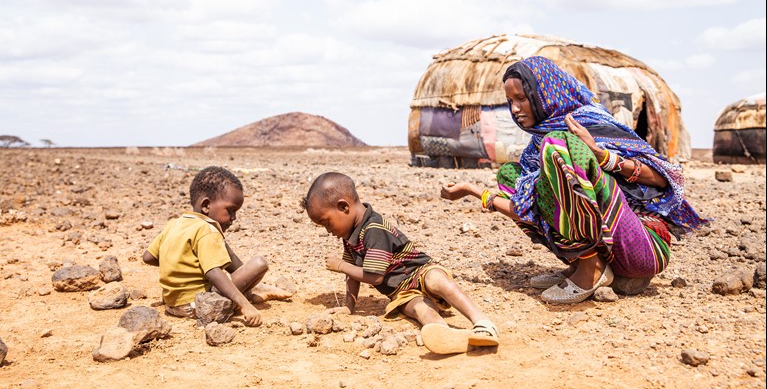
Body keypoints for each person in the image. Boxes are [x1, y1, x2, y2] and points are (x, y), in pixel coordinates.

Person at [441, 56, 708, 304]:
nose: (515, 109)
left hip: (642, 246)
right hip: (609, 244)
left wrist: (602, 156)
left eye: (521, 98)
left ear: (543, 94)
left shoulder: (588, 124)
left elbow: (666, 180)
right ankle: (583, 263)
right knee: (511, 175)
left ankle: (591, 272)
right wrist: (472, 191)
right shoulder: (537, 146)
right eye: (510, 101)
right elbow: (528, 212)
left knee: (558, 147)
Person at [302, 172, 500, 355]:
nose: (328, 230)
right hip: (402, 293)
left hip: (419, 273)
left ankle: (482, 323)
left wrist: (340, 265)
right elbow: (353, 274)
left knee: (437, 281)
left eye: (327, 222)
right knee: (421, 310)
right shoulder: (350, 236)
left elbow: (375, 277)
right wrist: (349, 306)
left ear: (344, 207)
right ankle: (444, 334)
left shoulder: (374, 229)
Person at [143, 166, 292, 325]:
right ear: (206, 205)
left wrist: (179, 263)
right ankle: (251, 292)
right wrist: (245, 306)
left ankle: (254, 289)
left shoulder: (174, 224)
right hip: (203, 305)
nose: (234, 218)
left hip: (173, 305)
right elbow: (213, 272)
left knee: (221, 248)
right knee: (259, 264)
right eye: (231, 210)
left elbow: (148, 257)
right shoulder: (207, 230)